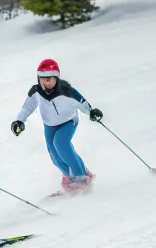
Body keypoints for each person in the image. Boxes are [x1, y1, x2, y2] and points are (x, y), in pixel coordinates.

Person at [11, 59, 102, 193]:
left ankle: (81, 177)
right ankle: (70, 176)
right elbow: (27, 107)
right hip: (49, 125)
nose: (45, 83)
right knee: (54, 153)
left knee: (61, 143)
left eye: (48, 79)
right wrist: (19, 121)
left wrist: (92, 112)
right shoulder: (37, 91)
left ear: (56, 78)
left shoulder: (66, 90)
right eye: (42, 79)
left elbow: (81, 102)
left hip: (68, 121)